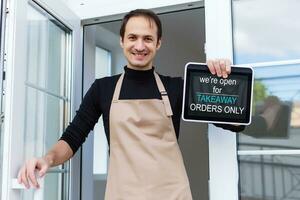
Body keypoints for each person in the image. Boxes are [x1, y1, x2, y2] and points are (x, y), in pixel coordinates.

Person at [18, 9, 244, 199]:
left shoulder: (177, 88)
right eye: (133, 37)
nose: (140, 46)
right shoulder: (103, 89)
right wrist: (46, 159)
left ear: (158, 43)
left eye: (147, 38)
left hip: (172, 194)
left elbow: (235, 123)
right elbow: (74, 135)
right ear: (122, 40)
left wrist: (223, 80)